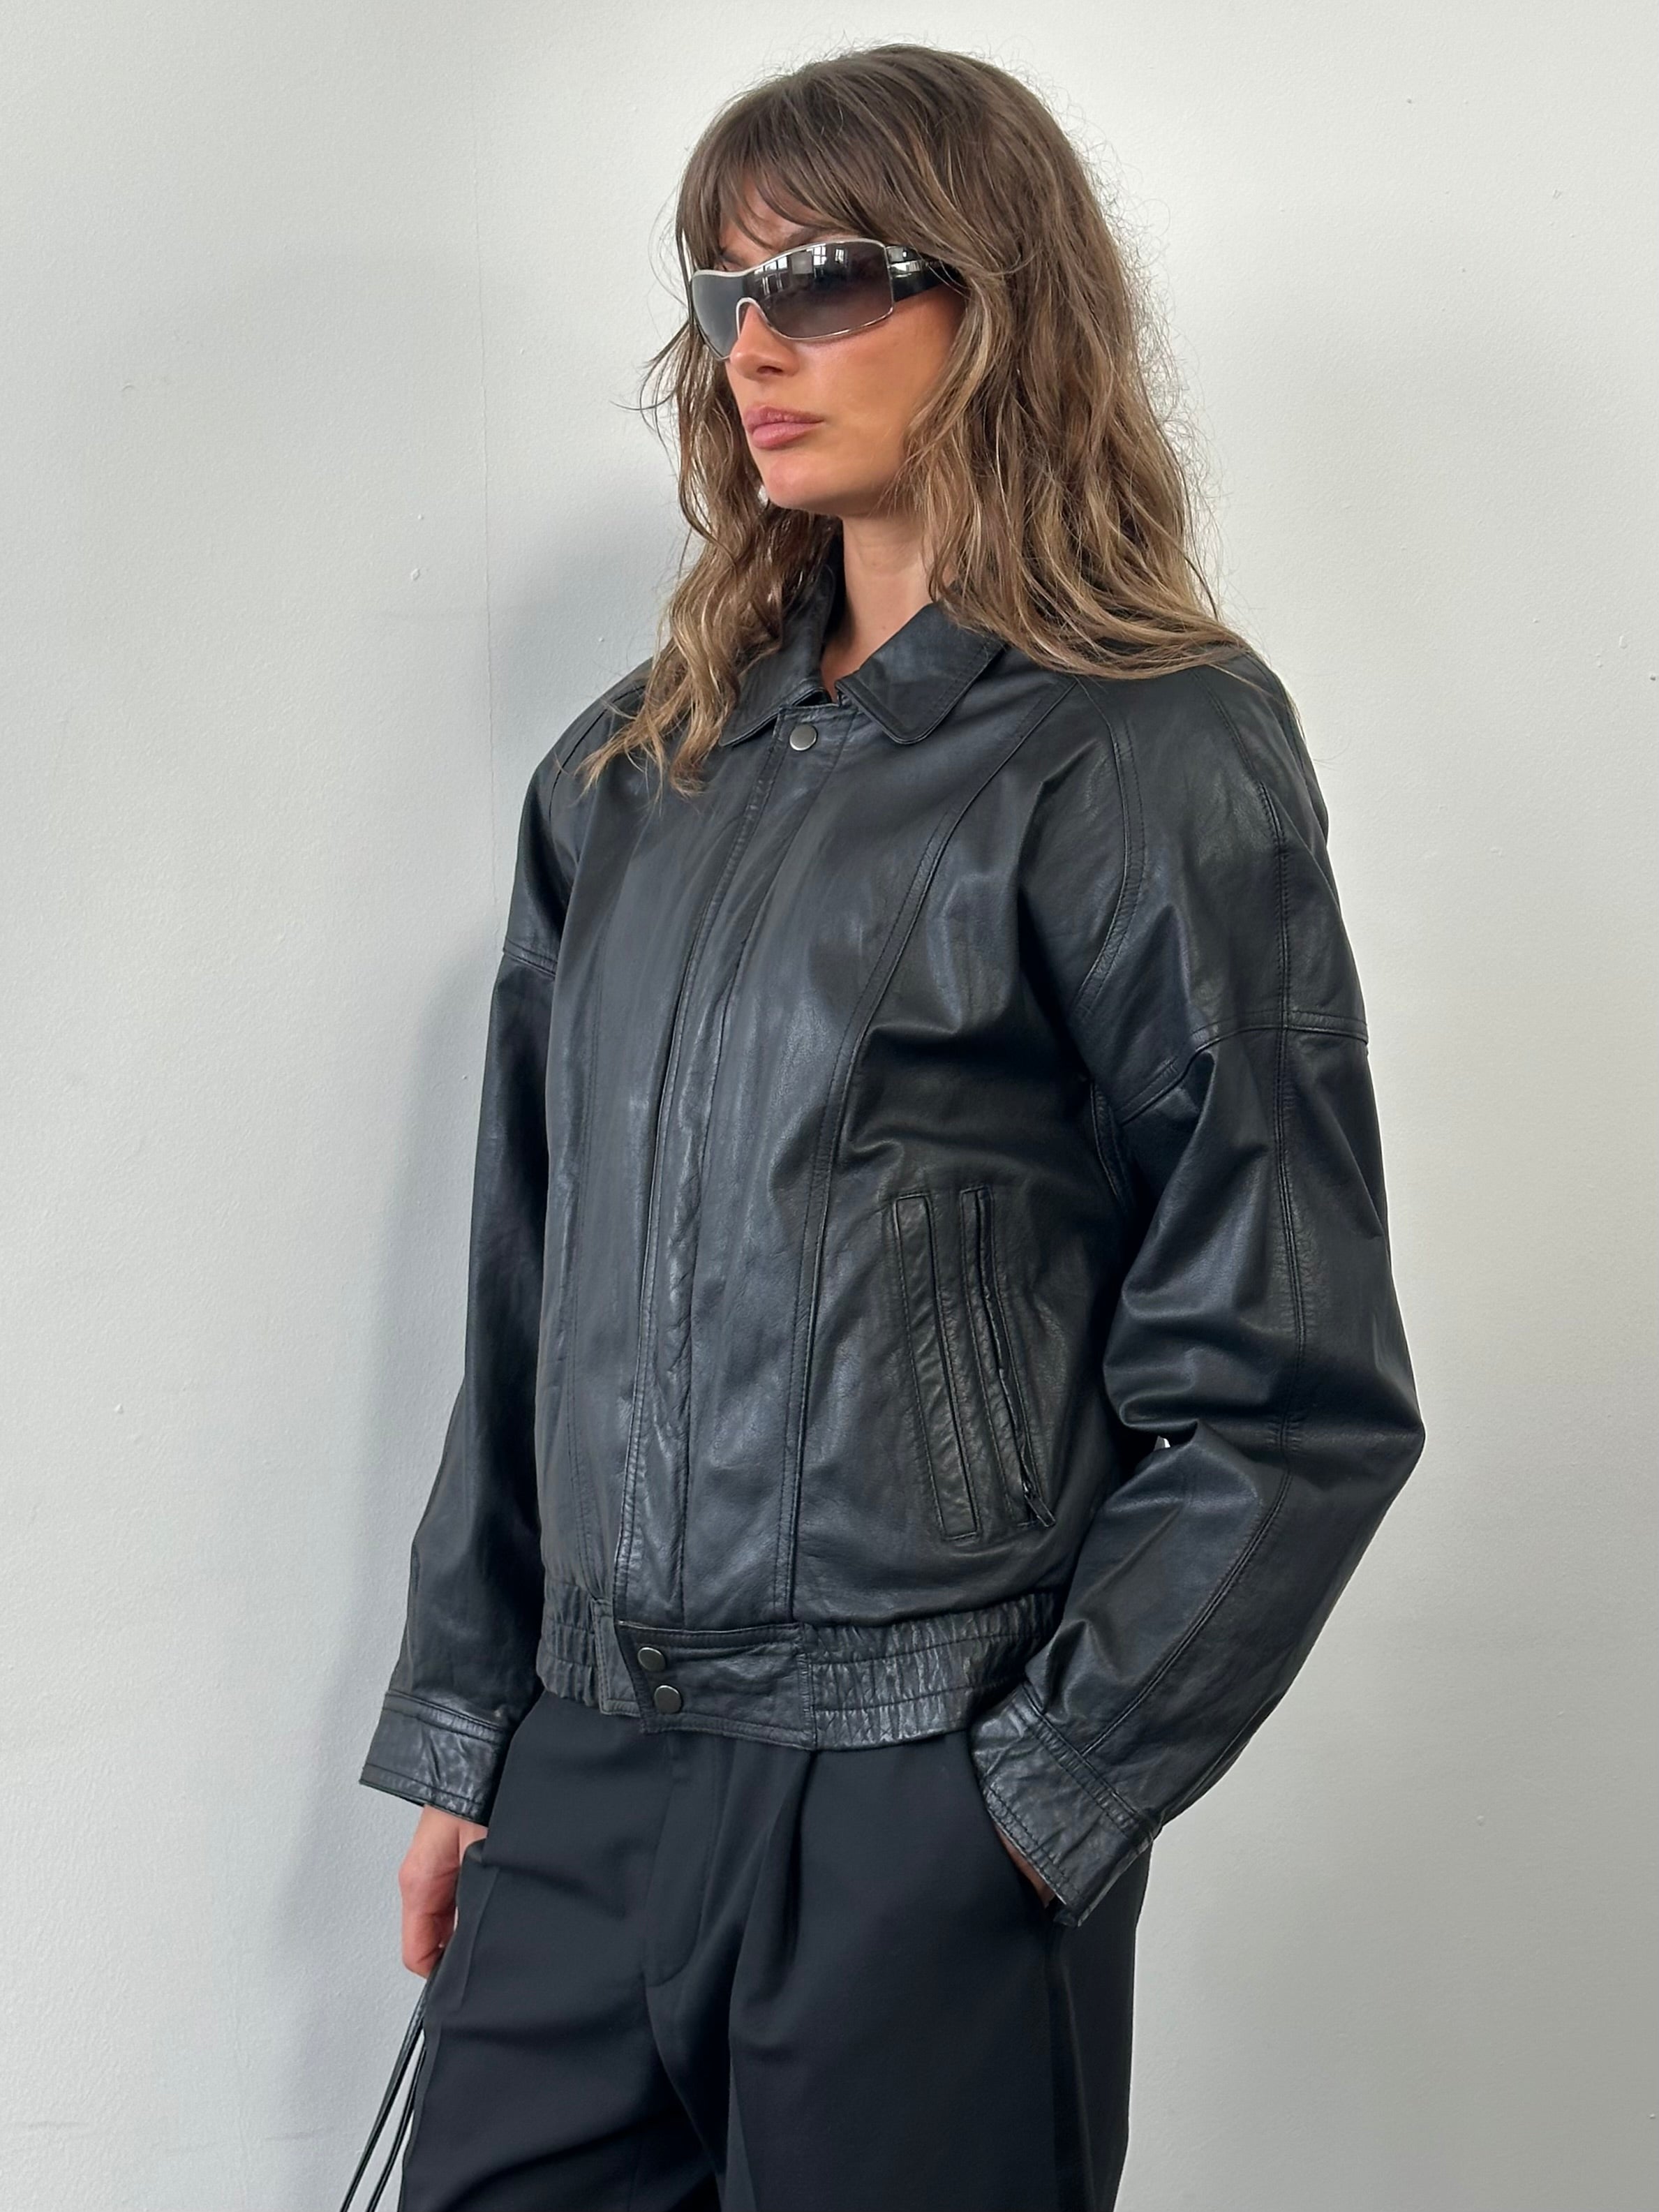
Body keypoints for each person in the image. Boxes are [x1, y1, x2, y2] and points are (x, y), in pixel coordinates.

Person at [357, 40, 1424, 2212]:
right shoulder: (630, 773)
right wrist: (475, 1735)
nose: (753, 346)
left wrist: (1033, 1794)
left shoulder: (1145, 751)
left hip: (906, 1798)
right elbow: (525, 1296)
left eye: (826, 278)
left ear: (997, 300)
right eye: (721, 287)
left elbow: (1288, 1378)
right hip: (586, 1782)